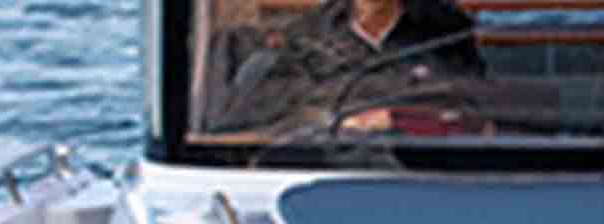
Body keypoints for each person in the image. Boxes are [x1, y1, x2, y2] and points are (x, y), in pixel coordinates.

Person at [203, 0, 481, 133]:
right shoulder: (305, 36)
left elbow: (470, 110)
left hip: (420, 176)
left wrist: (397, 118)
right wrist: (342, 118)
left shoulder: (447, 32)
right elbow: (269, 116)